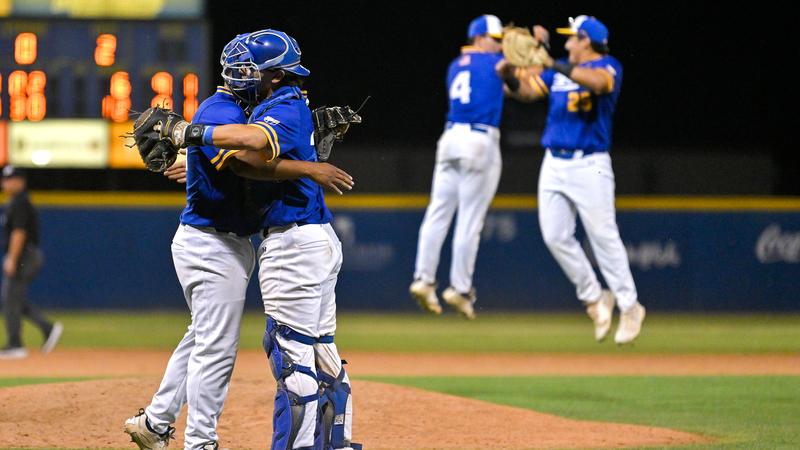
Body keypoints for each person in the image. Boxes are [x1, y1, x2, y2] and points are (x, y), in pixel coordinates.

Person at [122, 33, 355, 450]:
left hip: (235, 242)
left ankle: (156, 422)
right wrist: (309, 164)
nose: (246, 76)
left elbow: (248, 152)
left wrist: (303, 146)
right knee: (219, 348)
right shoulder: (222, 107)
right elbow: (248, 158)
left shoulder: (258, 106)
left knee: (205, 337)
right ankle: (200, 443)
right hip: (211, 244)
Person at [498, 15, 645, 344]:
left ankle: (630, 305)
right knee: (554, 235)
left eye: (572, 38)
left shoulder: (609, 66)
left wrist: (550, 61)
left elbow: (599, 84)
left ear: (587, 42)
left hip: (589, 163)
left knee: (603, 237)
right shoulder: (559, 71)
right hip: (554, 163)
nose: (566, 44)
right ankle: (595, 296)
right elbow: (525, 91)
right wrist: (508, 74)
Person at [408, 14, 506, 320]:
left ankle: (423, 279)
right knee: (470, 221)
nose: (500, 44)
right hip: (479, 139)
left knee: (438, 212)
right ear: (479, 37)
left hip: (450, 138)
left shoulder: (455, 66)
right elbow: (514, 75)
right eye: (496, 38)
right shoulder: (496, 63)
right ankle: (460, 288)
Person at [0, 166, 62, 360]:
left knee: (10, 298)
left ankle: (15, 344)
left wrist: (12, 257)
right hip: (26, 255)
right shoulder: (14, 202)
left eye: (12, 179)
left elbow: (19, 233)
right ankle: (47, 327)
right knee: (13, 298)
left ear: (21, 181)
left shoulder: (20, 202)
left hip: (24, 255)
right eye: (6, 179)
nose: (8, 182)